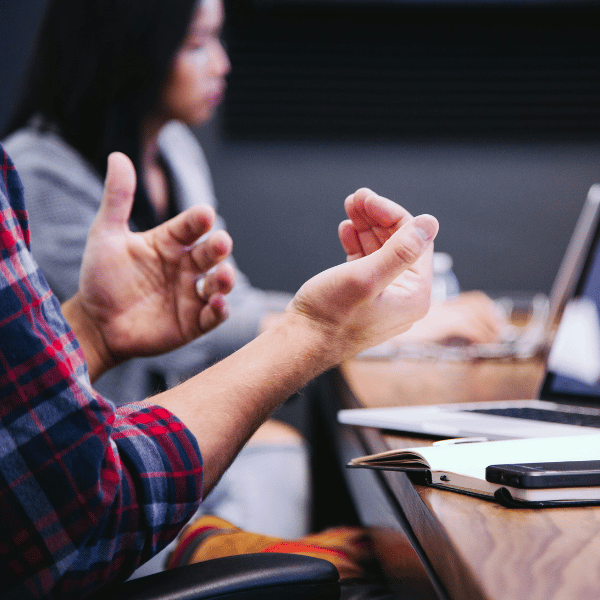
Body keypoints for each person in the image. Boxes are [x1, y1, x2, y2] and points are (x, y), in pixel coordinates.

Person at [0, 141, 439, 598]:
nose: (223, 65)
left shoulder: (177, 149)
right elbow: (83, 509)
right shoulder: (38, 167)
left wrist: (90, 332)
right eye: (197, 59)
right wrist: (317, 332)